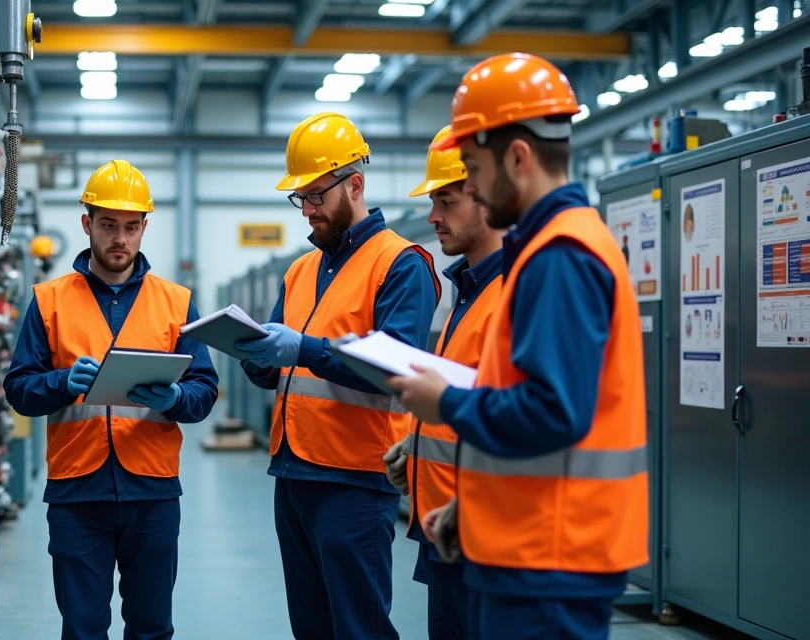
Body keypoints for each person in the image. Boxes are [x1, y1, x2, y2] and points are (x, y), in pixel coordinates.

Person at [388, 53, 648, 640]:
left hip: (550, 557)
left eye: (473, 168)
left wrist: (443, 404)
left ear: (519, 157)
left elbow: (551, 412)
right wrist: (477, 507)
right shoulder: (553, 248)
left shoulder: (560, 255)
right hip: (536, 541)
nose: (471, 186)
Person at [234, 112, 441, 640]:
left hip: (354, 476)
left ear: (355, 184)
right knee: (312, 627)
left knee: (359, 628)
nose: (307, 210)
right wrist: (256, 359)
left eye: (316, 196)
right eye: (299, 198)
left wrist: (301, 348)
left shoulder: (400, 263)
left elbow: (397, 368)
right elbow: (285, 368)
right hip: (293, 471)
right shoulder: (300, 270)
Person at [2, 160, 218, 640]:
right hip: (78, 493)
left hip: (153, 493)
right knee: (82, 629)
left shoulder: (177, 303)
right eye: (108, 226)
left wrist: (177, 395)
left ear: (144, 228)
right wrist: (60, 382)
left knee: (152, 627)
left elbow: (205, 392)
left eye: (130, 227)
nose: (119, 239)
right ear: (87, 224)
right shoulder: (48, 301)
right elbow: (18, 389)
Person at [382, 124, 505, 640]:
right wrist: (417, 448)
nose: (432, 216)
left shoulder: (514, 293)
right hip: (443, 528)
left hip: (489, 539)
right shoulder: (469, 292)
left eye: (446, 201)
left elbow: (526, 419)